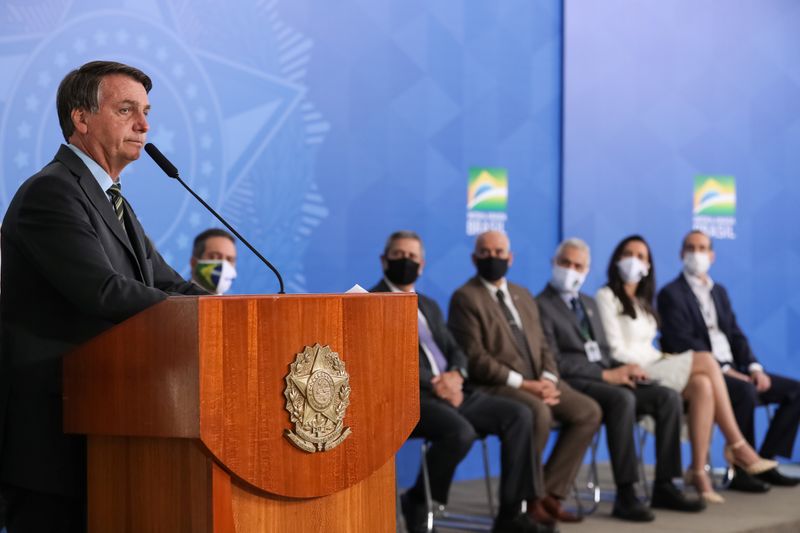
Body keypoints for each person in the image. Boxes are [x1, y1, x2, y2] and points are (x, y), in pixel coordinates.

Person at [0, 60, 208, 533]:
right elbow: (104, 291)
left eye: (146, 111)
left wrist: (233, 313)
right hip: (52, 438)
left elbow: (165, 281)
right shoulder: (50, 193)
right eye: (127, 110)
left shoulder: (111, 197)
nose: (144, 125)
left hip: (105, 423)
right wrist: (199, 317)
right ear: (81, 118)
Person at [370, 231, 550, 533]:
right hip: (412, 397)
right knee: (460, 432)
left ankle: (511, 514)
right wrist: (435, 384)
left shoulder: (427, 304)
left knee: (520, 415)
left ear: (423, 264)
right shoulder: (369, 302)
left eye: (412, 257)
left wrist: (456, 375)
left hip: (454, 390)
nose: (406, 262)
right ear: (384, 260)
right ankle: (419, 500)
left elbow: (455, 349)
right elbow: (380, 361)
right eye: (398, 255)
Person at [594, 235, 780, 505]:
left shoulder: (644, 302)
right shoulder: (606, 296)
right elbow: (613, 349)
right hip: (634, 370)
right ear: (617, 259)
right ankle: (738, 445)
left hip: (655, 362)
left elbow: (653, 346)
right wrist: (661, 362)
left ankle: (697, 472)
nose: (634, 260)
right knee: (705, 360)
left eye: (641, 256)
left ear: (648, 266)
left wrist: (665, 359)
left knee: (703, 385)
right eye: (628, 253)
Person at [537, 238, 704, 518]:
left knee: (667, 397)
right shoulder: (540, 305)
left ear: (586, 270)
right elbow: (554, 361)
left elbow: (603, 351)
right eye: (565, 263)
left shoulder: (587, 304)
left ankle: (665, 485)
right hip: (575, 382)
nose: (571, 270)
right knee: (622, 399)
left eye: (578, 265)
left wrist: (625, 369)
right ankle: (626, 493)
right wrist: (606, 374)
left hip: (606, 375)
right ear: (553, 264)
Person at [448, 231, 601, 527]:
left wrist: (548, 379)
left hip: (538, 381)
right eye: (486, 252)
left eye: (499, 251)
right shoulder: (465, 297)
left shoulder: (523, 294)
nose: (493, 257)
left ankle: (549, 494)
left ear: (511, 257)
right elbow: (476, 359)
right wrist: (526, 385)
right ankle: (527, 501)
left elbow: (543, 345)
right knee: (537, 412)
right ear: (474, 257)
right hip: (498, 386)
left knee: (588, 411)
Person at [658, 229, 800, 488]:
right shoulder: (671, 293)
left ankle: (764, 460)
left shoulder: (719, 292)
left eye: (702, 248)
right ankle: (743, 471)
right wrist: (723, 369)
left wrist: (755, 367)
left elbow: (735, 334)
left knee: (795, 391)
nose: (696, 254)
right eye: (691, 248)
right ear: (681, 254)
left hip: (736, 368)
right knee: (744, 390)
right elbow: (682, 341)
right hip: (701, 371)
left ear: (712, 255)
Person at [190, 228, 237, 294]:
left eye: (229, 259)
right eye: (215, 257)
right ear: (193, 263)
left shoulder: (236, 304)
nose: (224, 265)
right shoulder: (173, 300)